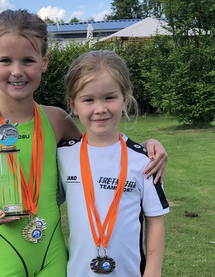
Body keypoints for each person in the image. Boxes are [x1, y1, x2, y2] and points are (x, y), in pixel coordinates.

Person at [0, 9, 168, 277]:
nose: (16, 71)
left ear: (44, 61)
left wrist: (148, 146)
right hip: (6, 252)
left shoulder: (57, 120)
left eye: (27, 60)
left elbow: (97, 152)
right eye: (5, 60)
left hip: (55, 259)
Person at [59, 50, 169, 276]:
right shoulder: (62, 156)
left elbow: (155, 220)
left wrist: (153, 272)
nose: (100, 109)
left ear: (124, 100)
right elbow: (41, 204)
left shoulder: (144, 160)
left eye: (109, 97)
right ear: (73, 105)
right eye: (88, 100)